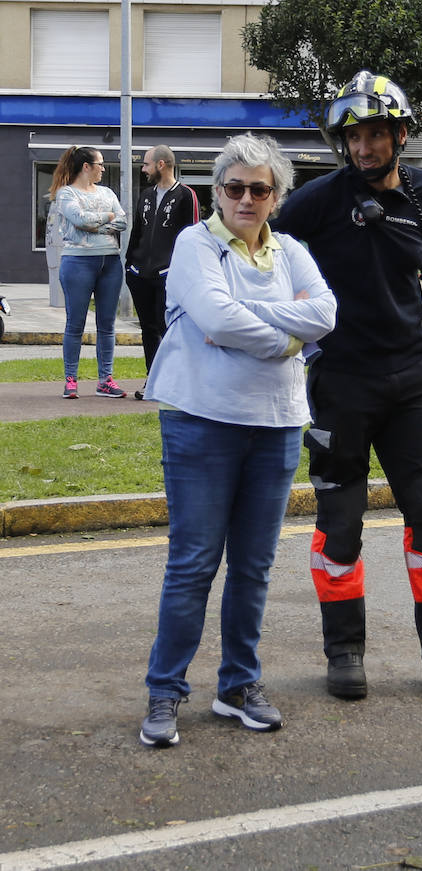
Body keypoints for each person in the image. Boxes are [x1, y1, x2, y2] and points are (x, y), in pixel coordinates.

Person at [274, 70, 422, 700]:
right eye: (353, 136)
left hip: (412, 378)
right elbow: (264, 253)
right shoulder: (316, 201)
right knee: (342, 522)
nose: (363, 147)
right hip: (341, 380)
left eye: (375, 134)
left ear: (400, 135)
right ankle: (345, 649)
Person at [138, 133, 336, 748]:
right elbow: (216, 316)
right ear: (218, 190)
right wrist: (284, 334)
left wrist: (246, 318)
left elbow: (325, 313)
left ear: (276, 195)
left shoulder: (292, 250)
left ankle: (237, 685)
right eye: (234, 187)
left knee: (253, 566)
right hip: (201, 419)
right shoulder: (195, 244)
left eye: (260, 188)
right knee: (194, 563)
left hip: (276, 421)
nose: (246, 198)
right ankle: (165, 691)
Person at [50, 146, 127, 399]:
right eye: (100, 164)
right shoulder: (66, 194)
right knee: (75, 324)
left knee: (107, 325)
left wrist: (95, 225)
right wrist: (107, 216)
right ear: (86, 166)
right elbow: (80, 219)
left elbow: (123, 222)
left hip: (111, 263)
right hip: (78, 263)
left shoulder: (107, 192)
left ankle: (106, 380)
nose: (103, 168)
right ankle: (70, 380)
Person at [125, 144, 201, 400]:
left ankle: (174, 381)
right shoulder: (146, 195)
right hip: (140, 274)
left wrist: (184, 271)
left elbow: (192, 236)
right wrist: (129, 265)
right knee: (147, 328)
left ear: (161, 164)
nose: (143, 168)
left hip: (169, 275)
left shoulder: (186, 195)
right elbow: (138, 231)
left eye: (146, 164)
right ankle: (153, 378)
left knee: (166, 327)